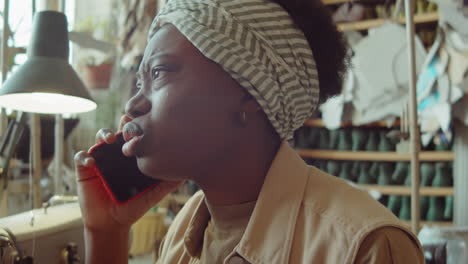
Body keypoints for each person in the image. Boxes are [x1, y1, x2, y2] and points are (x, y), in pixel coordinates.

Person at [74, 0, 425, 263]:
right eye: (139, 80)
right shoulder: (184, 232)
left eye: (159, 73)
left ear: (251, 93)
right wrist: (106, 233)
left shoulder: (363, 247)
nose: (134, 104)